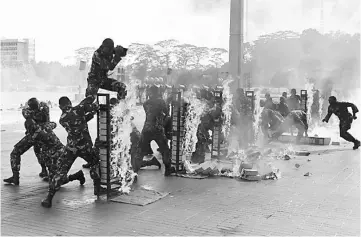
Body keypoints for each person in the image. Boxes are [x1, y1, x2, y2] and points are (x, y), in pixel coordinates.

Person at [40, 96, 101, 207]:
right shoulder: (79, 109)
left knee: (61, 171)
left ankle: (49, 198)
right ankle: (97, 187)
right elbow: (92, 110)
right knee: (95, 163)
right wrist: (93, 106)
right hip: (85, 146)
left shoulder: (62, 119)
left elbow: (77, 122)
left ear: (60, 106)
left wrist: (87, 115)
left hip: (71, 148)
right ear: (69, 103)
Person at [3, 98, 52, 185]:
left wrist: (25, 107)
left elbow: (25, 113)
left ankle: (15, 177)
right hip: (44, 133)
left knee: (15, 152)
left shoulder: (30, 113)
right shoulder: (45, 110)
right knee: (39, 151)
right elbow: (44, 107)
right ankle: (45, 171)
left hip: (34, 135)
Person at [139, 85, 173, 176]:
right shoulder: (161, 102)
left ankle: (135, 169)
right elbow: (167, 114)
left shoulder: (146, 103)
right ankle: (168, 169)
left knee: (140, 150)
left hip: (146, 128)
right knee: (165, 149)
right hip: (158, 129)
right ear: (157, 92)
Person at [85, 38, 127, 102]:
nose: (109, 52)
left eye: (110, 50)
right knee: (90, 99)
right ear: (103, 47)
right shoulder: (97, 54)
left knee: (122, 87)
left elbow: (124, 53)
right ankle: (80, 109)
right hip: (94, 80)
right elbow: (110, 67)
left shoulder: (109, 50)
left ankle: (120, 107)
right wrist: (117, 55)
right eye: (107, 50)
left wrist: (121, 50)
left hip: (103, 80)